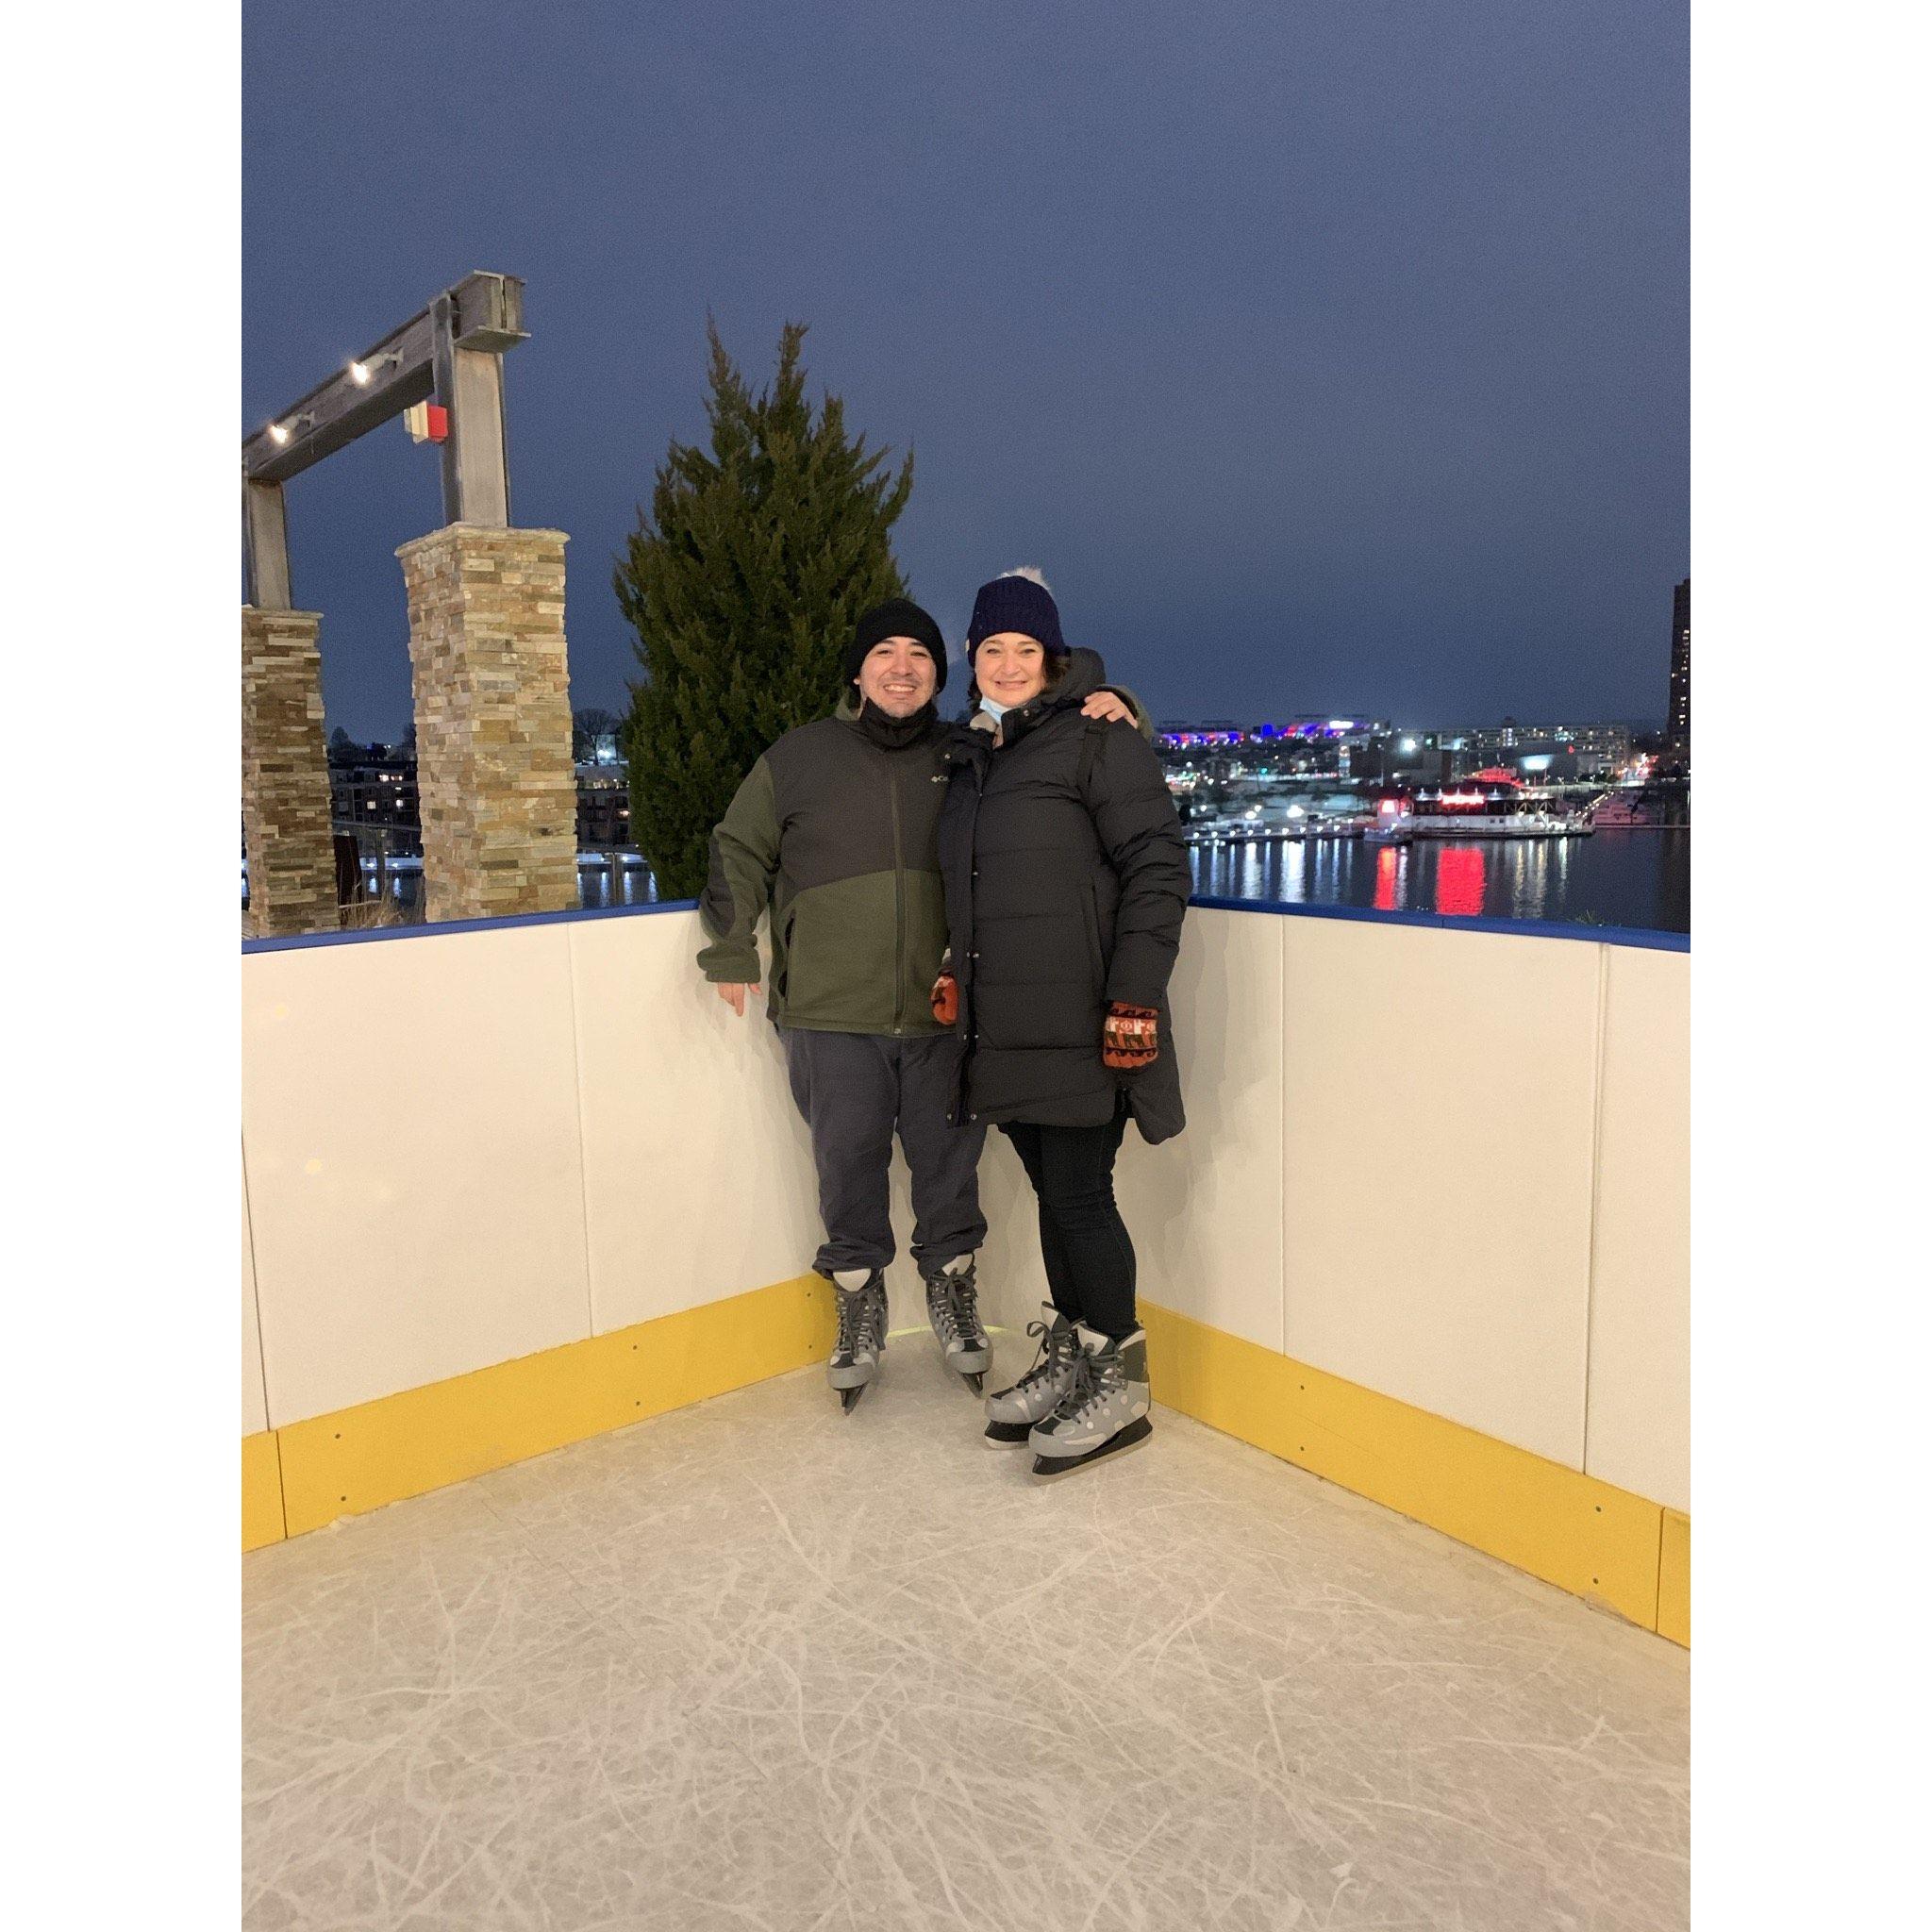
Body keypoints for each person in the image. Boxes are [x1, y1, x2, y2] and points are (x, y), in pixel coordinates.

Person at [696, 597, 1139, 1411]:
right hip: (831, 1011)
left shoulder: (970, 751)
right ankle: (860, 1302)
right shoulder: (799, 756)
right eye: (885, 653)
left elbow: (1050, 720)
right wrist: (728, 947)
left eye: (920, 656)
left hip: (948, 1012)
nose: (902, 667)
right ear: (858, 671)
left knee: (948, 1170)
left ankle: (951, 1289)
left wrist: (1107, 696)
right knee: (846, 1165)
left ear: (943, 673)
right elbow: (737, 846)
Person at [935, 572, 1190, 1477]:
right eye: (992, 650)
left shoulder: (1096, 739)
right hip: (1003, 1026)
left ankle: (1121, 1377)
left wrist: (1133, 998)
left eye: (1025, 651)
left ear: (1052, 660)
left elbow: (1158, 864)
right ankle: (1079, 1354)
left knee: (1081, 1195)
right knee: (1055, 1195)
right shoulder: (975, 758)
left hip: (1087, 1019)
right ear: (974, 660)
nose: (1007, 664)